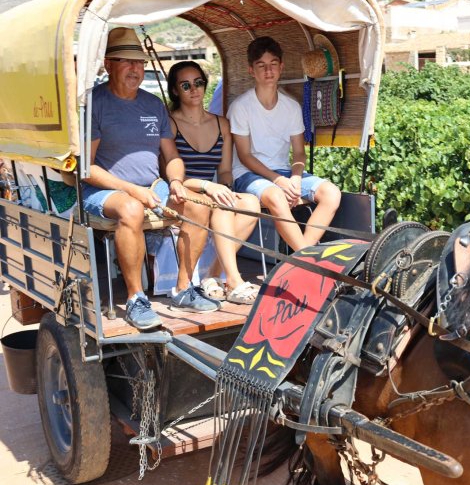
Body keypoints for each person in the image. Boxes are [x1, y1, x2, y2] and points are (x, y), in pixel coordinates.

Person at [82, 27, 219, 330]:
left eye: (139, 62)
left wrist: (176, 182)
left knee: (198, 205)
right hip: (103, 190)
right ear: (108, 64)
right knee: (131, 208)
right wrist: (133, 191)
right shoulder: (94, 104)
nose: (135, 69)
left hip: (152, 187)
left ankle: (183, 288)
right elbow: (87, 168)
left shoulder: (153, 104)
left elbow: (172, 157)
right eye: (127, 61)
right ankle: (136, 299)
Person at [228, 36, 341, 251]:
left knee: (332, 193)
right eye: (261, 65)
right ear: (251, 70)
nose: (268, 71)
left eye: (273, 64)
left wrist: (295, 178)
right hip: (247, 174)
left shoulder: (291, 106)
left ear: (281, 67)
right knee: (277, 195)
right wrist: (278, 180)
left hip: (283, 172)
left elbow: (299, 152)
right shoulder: (240, 107)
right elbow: (244, 156)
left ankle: (302, 253)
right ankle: (305, 258)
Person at [166, 61, 261, 304]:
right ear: (175, 90)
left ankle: (212, 275)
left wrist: (224, 188)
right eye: (185, 85)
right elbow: (171, 175)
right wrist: (208, 187)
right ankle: (234, 280)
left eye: (198, 83)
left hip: (210, 191)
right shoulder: (171, 124)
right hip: (180, 192)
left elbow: (225, 171)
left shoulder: (221, 124)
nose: (194, 89)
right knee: (219, 204)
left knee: (250, 203)